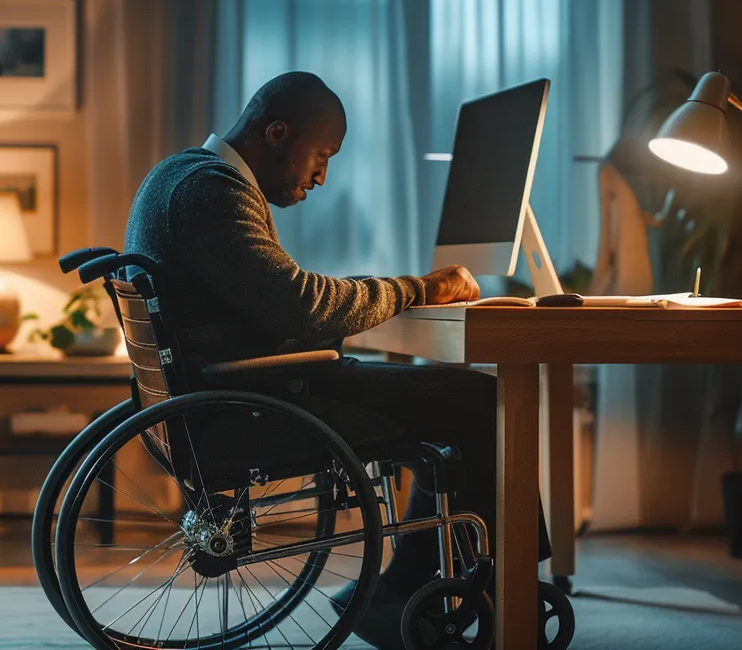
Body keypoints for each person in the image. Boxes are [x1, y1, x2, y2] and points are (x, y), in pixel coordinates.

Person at [124, 71, 545, 648]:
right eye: (321, 154)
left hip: (230, 396)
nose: (322, 175)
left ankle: (403, 591)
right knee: (479, 399)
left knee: (439, 397)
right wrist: (416, 289)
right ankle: (516, 586)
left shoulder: (180, 174)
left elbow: (281, 297)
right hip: (251, 408)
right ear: (276, 133)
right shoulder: (210, 190)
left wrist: (384, 291)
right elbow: (299, 305)